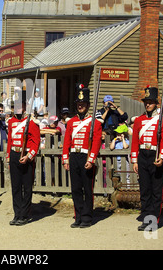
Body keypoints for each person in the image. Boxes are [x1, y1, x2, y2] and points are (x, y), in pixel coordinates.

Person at [131, 85, 163, 231]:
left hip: (156, 156)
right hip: (142, 156)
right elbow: (135, 141)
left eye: (151, 101)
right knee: (145, 189)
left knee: (156, 191)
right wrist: (135, 160)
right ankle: (146, 217)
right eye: (146, 101)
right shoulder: (139, 120)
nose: (148, 104)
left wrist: (162, 157)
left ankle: (153, 220)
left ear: (156, 103)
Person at [62, 84, 102, 228]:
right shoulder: (71, 122)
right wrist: (65, 159)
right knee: (76, 188)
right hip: (74, 156)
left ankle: (87, 217)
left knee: (87, 188)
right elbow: (67, 142)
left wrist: (91, 160)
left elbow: (96, 142)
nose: (80, 106)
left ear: (88, 105)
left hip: (86, 158)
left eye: (83, 104)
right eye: (78, 104)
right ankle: (78, 215)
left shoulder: (95, 123)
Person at [6, 90, 40, 226]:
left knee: (26, 187)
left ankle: (24, 215)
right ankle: (17, 213)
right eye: (15, 106)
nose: (18, 108)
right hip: (15, 155)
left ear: (25, 106)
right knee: (15, 187)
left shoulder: (31, 122)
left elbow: (36, 142)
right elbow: (10, 140)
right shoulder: (11, 122)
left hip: (26, 156)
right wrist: (9, 156)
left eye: (20, 105)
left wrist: (28, 156)